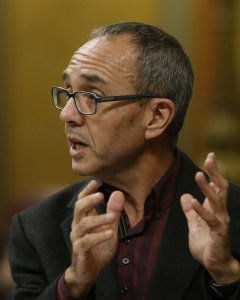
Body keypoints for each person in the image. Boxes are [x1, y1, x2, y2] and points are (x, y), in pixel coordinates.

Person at [8, 22, 240, 300]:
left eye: (91, 96)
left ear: (156, 117)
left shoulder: (232, 217)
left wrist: (227, 275)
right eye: (69, 92)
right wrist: (72, 284)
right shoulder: (37, 227)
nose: (67, 114)